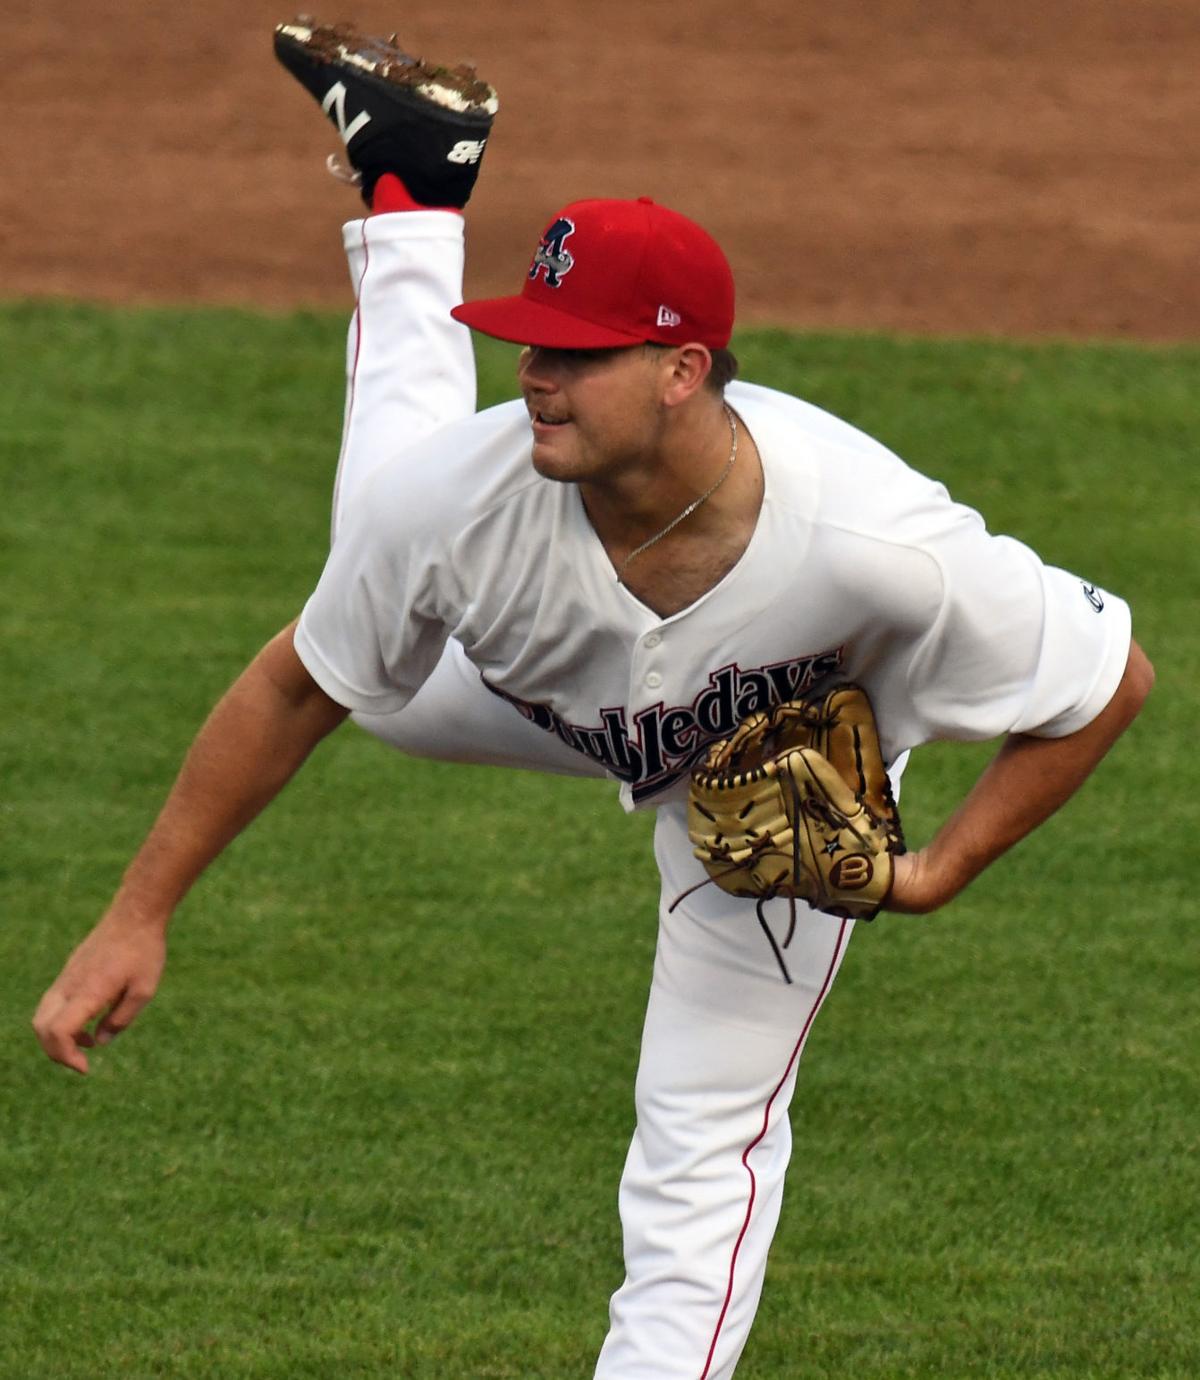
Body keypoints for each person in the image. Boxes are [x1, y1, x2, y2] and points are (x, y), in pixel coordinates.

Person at [33, 20, 1154, 1379]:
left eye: (576, 353)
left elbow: (1106, 679)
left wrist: (933, 871)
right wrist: (137, 911)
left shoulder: (881, 546)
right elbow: (293, 687)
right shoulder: (464, 503)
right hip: (546, 690)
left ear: (684, 370)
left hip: (762, 787)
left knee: (702, 1150)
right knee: (381, 629)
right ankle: (408, 195)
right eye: (527, 343)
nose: (533, 375)